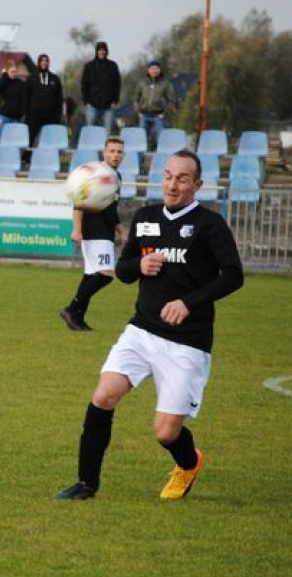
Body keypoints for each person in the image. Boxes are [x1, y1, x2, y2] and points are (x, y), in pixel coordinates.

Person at [55, 149, 244, 501]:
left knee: (165, 433)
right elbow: (124, 271)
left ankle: (188, 463)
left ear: (197, 185)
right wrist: (139, 267)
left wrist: (189, 302)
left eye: (182, 179)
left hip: (187, 342)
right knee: (104, 395)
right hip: (141, 331)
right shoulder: (145, 217)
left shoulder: (209, 225)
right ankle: (86, 484)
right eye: (168, 176)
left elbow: (234, 276)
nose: (172, 184)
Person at [60, 136, 127, 331]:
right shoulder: (95, 174)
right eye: (112, 151)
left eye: (119, 152)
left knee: (91, 275)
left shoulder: (116, 177)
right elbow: (79, 200)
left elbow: (111, 207)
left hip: (106, 229)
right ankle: (72, 308)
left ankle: (77, 318)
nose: (115, 155)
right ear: (104, 153)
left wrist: (120, 230)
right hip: (93, 228)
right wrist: (77, 229)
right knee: (105, 274)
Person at [133, 60, 176, 152]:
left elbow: (171, 100)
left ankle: (162, 160)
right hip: (144, 114)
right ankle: (139, 162)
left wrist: (164, 112)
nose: (154, 71)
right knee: (141, 140)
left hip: (159, 115)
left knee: (161, 139)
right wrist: (138, 111)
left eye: (156, 68)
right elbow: (136, 98)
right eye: (152, 68)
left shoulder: (165, 84)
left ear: (160, 70)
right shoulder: (142, 83)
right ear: (148, 70)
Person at [80, 41, 121, 134]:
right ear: (96, 51)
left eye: (103, 50)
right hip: (92, 106)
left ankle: (105, 148)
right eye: (100, 50)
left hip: (108, 106)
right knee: (90, 131)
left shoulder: (113, 66)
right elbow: (84, 85)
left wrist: (115, 101)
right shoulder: (89, 66)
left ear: (106, 52)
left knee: (107, 132)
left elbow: (117, 84)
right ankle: (91, 147)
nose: (102, 52)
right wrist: (86, 101)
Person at [26, 54, 63, 147]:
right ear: (39, 62)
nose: (44, 63)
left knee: (51, 138)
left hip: (51, 116)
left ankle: (51, 158)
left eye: (46, 61)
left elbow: (59, 98)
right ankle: (26, 158)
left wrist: (59, 114)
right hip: (34, 115)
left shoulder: (55, 79)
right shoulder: (31, 78)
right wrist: (27, 114)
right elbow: (26, 97)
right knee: (30, 137)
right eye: (42, 61)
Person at [0, 59, 28, 145]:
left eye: (15, 71)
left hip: (16, 117)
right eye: (12, 71)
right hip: (3, 116)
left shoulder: (21, 83)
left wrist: (23, 113)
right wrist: (4, 76)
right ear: (6, 71)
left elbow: (25, 99)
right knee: (0, 139)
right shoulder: (3, 82)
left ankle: (13, 158)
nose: (14, 73)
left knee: (14, 141)